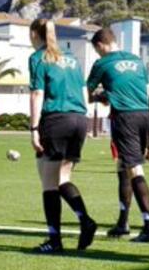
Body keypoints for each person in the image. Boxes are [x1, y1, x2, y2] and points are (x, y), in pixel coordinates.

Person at [27, 18, 97, 254]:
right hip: (79, 119)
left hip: (56, 119)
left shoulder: (38, 58)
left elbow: (38, 93)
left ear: (34, 34)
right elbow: (83, 90)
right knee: (63, 178)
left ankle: (54, 240)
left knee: (48, 184)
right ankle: (84, 220)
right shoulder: (71, 59)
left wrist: (34, 128)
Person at [87, 27, 149, 243]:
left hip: (124, 118)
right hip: (144, 115)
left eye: (97, 50)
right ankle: (123, 222)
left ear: (100, 45)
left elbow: (87, 93)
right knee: (122, 166)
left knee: (134, 169)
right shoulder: (137, 60)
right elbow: (142, 89)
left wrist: (101, 97)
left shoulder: (102, 63)